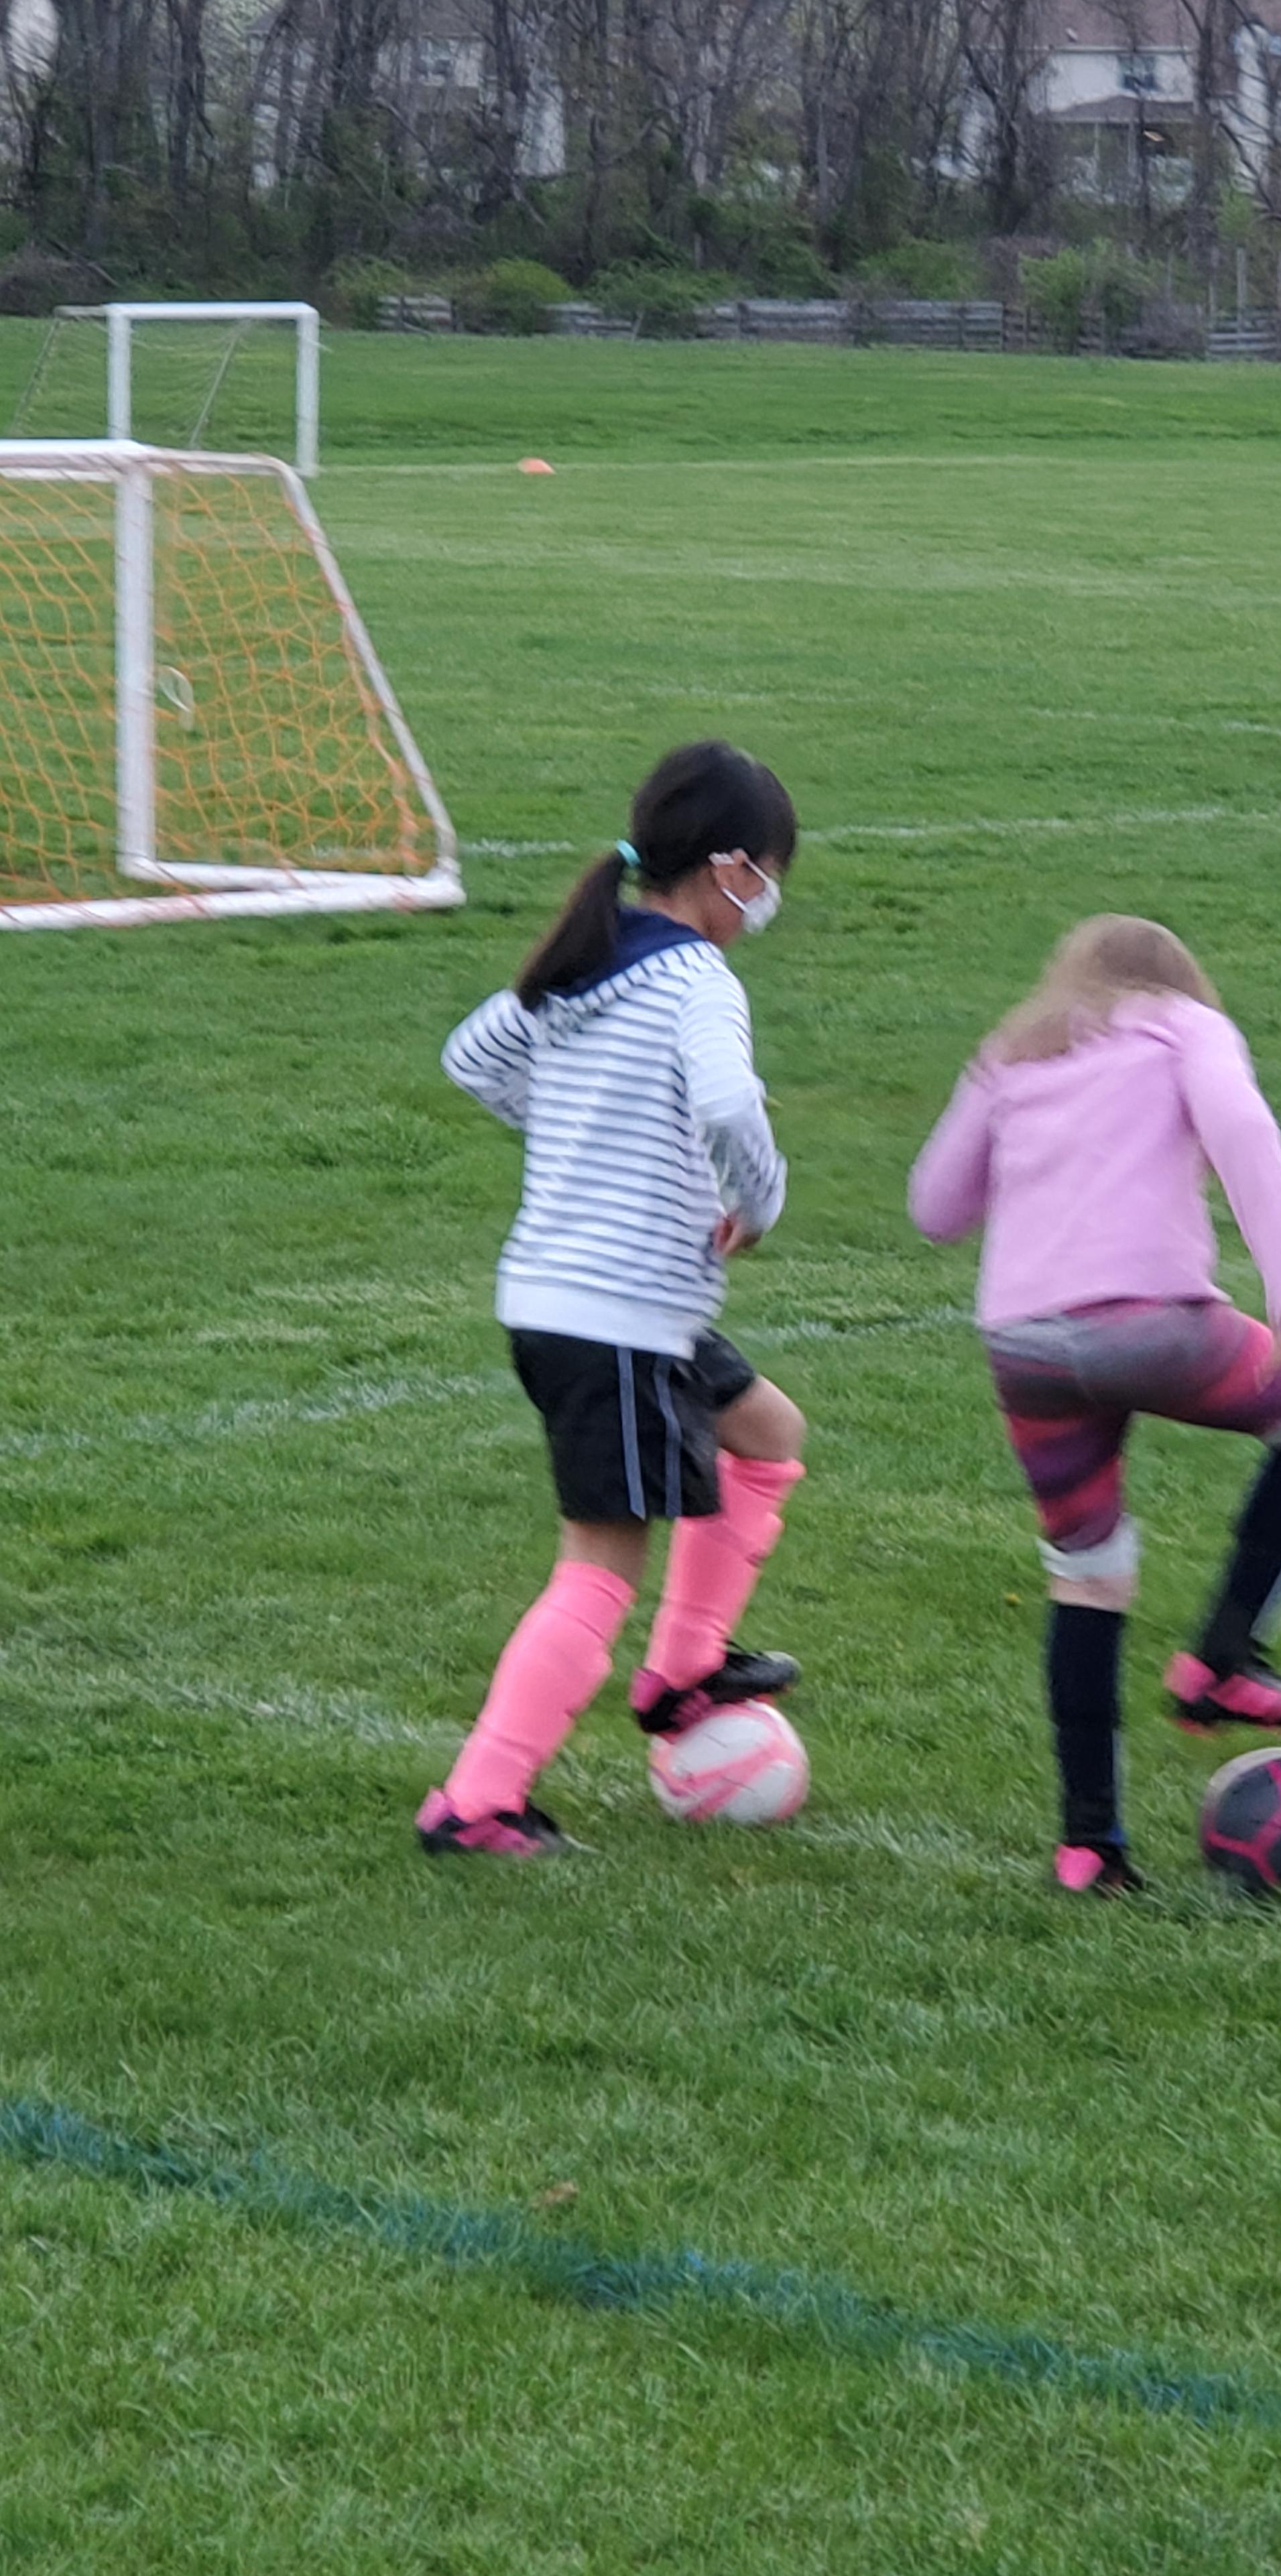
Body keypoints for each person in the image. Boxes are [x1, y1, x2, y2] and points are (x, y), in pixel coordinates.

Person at [908, 916, 1281, 1896]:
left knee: (1088, 1575)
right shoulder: (1187, 1026)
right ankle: (1224, 1660)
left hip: (1026, 1348)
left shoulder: (1014, 1050)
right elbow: (1242, 1126)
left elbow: (934, 1208)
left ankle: (1090, 1849)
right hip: (1153, 1327)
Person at [419, 739, 804, 1857]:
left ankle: (683, 1672)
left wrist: (582, 1131)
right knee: (597, 1566)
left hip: (578, 1303)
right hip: (615, 1318)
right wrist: (759, 1200)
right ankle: (477, 1803)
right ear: (731, 869)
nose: (767, 903)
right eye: (770, 877)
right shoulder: (696, 980)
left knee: (767, 1432)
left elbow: (472, 1059)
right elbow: (728, 1105)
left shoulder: (587, 959)